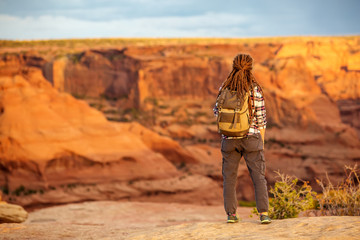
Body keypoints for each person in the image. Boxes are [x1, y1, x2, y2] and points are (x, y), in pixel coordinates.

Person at [213, 53, 271, 224]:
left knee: (229, 178)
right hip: (251, 137)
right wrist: (261, 140)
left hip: (229, 139)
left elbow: (216, 111)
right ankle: (264, 214)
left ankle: (231, 215)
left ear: (234, 66)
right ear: (250, 67)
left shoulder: (225, 87)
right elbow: (261, 118)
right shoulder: (254, 88)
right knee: (258, 176)